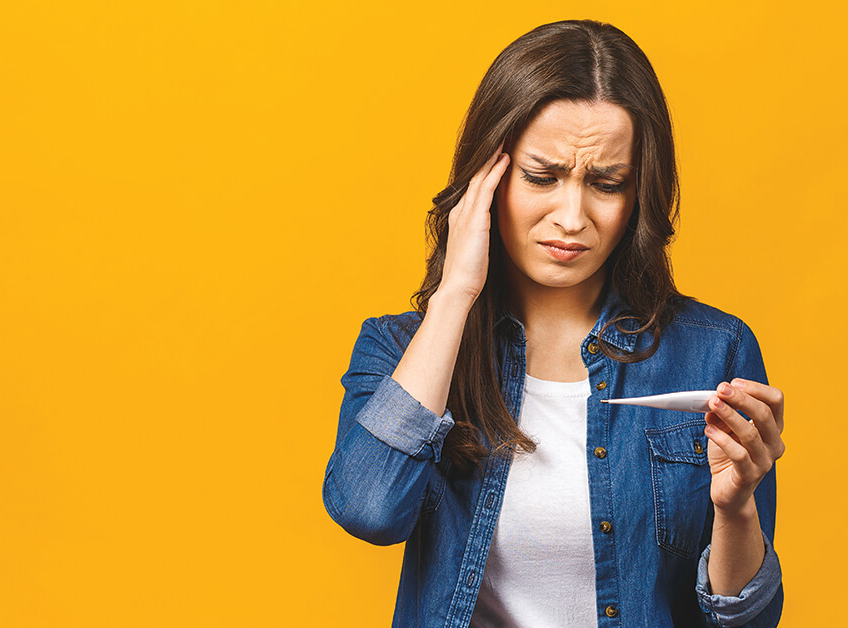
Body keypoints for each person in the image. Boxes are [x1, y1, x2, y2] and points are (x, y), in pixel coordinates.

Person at [322, 19, 785, 628]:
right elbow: (369, 509)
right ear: (488, 176)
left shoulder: (712, 352)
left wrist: (737, 511)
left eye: (606, 183)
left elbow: (747, 621)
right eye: (542, 177)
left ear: (637, 193)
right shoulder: (401, 350)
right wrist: (456, 294)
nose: (572, 217)